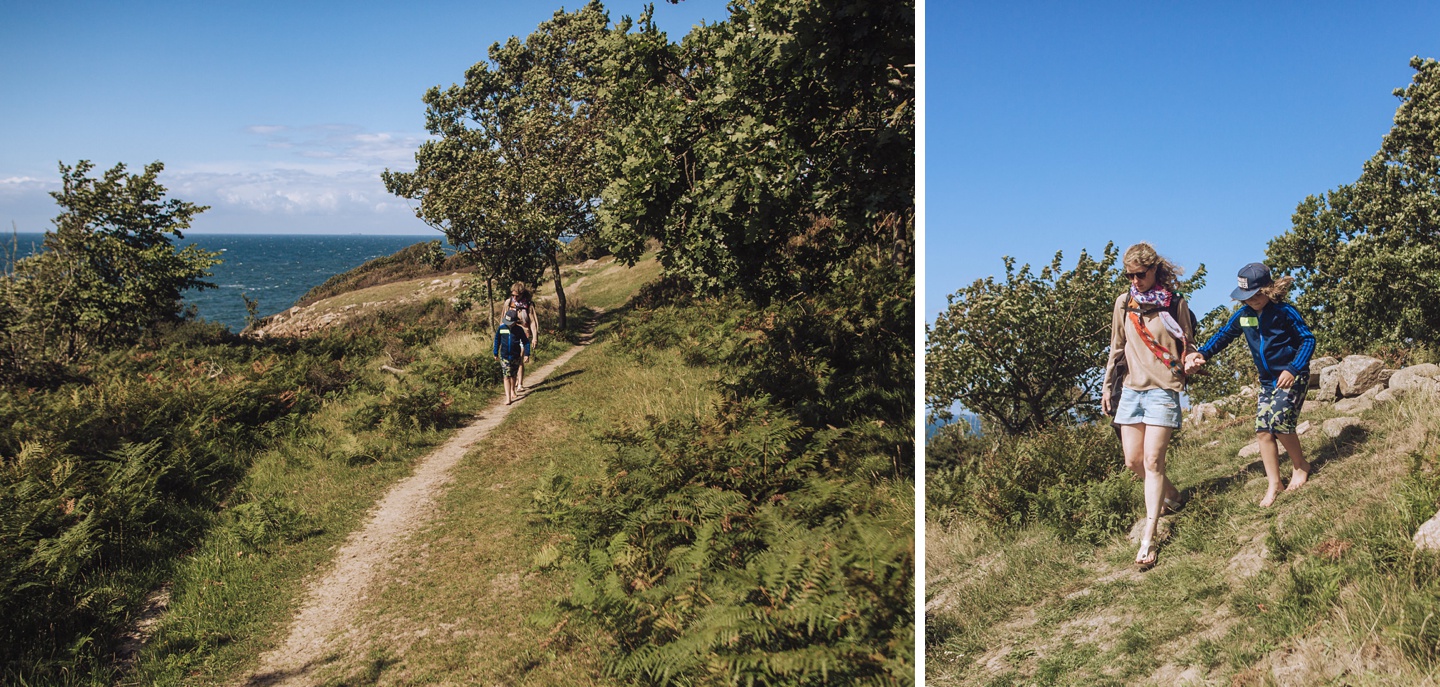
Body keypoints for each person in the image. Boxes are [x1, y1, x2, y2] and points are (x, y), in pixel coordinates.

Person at [1185, 262, 1315, 508]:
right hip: (1267, 381)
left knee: (1280, 423)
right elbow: (1223, 335)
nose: (1253, 300)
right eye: (1247, 296)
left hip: (1292, 375)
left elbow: (1308, 340)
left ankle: (1300, 466)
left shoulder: (1285, 312)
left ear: (1269, 290)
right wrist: (1202, 354)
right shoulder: (1243, 315)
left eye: (1257, 294)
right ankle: (1274, 482)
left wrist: (1293, 368)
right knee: (1263, 430)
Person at [1101, 242, 1196, 570]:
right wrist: (1107, 387)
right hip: (1131, 391)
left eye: (1140, 274)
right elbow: (1117, 347)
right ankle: (1172, 496)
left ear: (1154, 270)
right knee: (1133, 462)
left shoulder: (1175, 304)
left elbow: (1189, 344)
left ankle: (1149, 537)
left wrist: (1193, 360)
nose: (1135, 280)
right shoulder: (1123, 303)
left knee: (1153, 462)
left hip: (1163, 390)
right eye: (1129, 275)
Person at [503, 282, 538, 392]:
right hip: (511, 334)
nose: (514, 297)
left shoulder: (528, 304)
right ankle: (514, 381)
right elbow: (503, 319)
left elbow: (532, 322)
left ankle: (520, 384)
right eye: (512, 295)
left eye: (517, 296)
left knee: (519, 358)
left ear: (522, 294)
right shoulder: (508, 303)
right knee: (513, 359)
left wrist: (535, 337)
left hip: (524, 333)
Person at [492, 309, 531, 405]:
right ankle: (508, 397)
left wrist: (526, 354)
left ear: (514, 321)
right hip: (504, 356)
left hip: (516, 356)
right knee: (506, 376)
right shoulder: (501, 328)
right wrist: (495, 352)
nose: (508, 324)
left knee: (513, 375)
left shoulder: (519, 330)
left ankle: (512, 390)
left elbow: (526, 342)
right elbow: (497, 340)